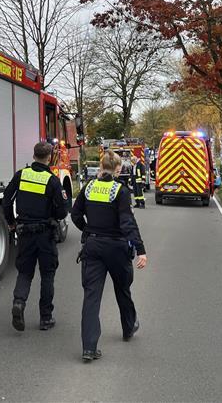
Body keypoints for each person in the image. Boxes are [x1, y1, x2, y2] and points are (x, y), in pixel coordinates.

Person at [71, 150, 147, 362]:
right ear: (117, 169)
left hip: (93, 245)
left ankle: (89, 347)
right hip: (116, 247)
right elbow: (127, 223)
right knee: (122, 289)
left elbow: (75, 214)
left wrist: (87, 230)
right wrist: (140, 249)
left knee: (91, 296)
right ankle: (128, 327)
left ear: (101, 167)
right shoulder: (120, 191)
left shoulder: (88, 188)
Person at [2, 142, 69, 332]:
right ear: (49, 158)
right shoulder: (52, 180)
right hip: (46, 234)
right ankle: (45, 318)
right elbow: (63, 210)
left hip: (24, 232)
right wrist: (53, 216)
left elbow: (7, 200)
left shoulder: (21, 175)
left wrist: (11, 222)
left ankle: (19, 303)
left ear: (33, 156)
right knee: (47, 275)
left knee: (24, 272)